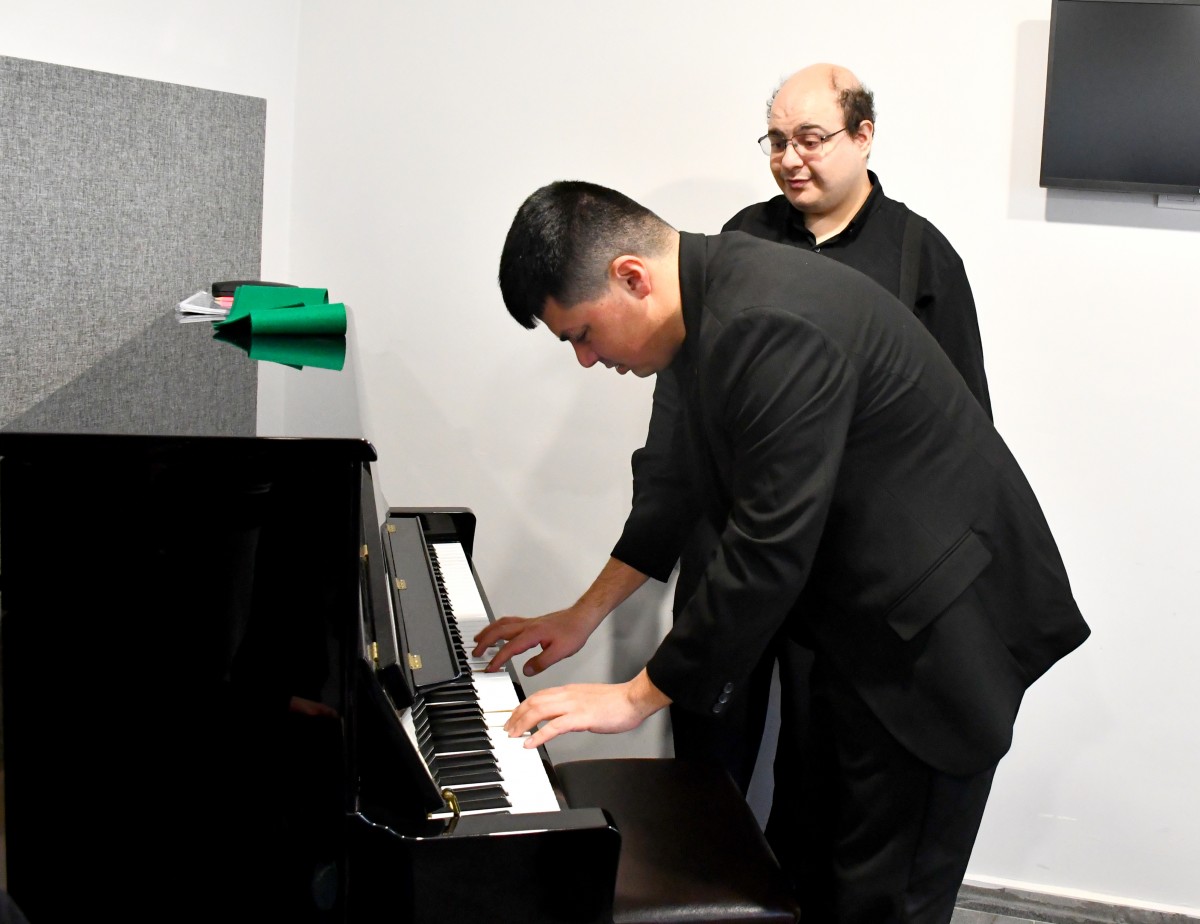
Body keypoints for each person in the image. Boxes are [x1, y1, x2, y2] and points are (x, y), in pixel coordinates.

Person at [479, 179, 1090, 924]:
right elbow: (674, 488)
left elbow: (769, 543)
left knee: (887, 897)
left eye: (579, 333)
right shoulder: (705, 312)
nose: (584, 358)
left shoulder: (764, 321)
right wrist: (583, 614)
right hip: (865, 628)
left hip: (939, 640)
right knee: (819, 871)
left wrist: (637, 696)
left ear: (631, 278)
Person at [671, 61, 993, 835]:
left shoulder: (920, 256)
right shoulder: (741, 239)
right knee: (705, 756)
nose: (790, 159)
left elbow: (964, 429)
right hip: (739, 545)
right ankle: (701, 885)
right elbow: (689, 400)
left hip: (851, 572)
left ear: (863, 135)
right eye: (776, 141)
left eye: (810, 139)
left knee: (822, 778)